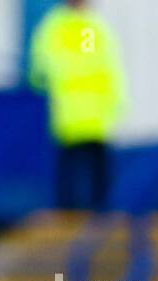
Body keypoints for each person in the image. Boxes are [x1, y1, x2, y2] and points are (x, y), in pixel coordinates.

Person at [28, 0, 127, 211]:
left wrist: (116, 100)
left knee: (88, 171)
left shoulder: (76, 27)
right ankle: (77, 216)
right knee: (75, 172)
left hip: (87, 114)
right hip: (73, 113)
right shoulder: (73, 28)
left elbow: (106, 66)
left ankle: (92, 216)